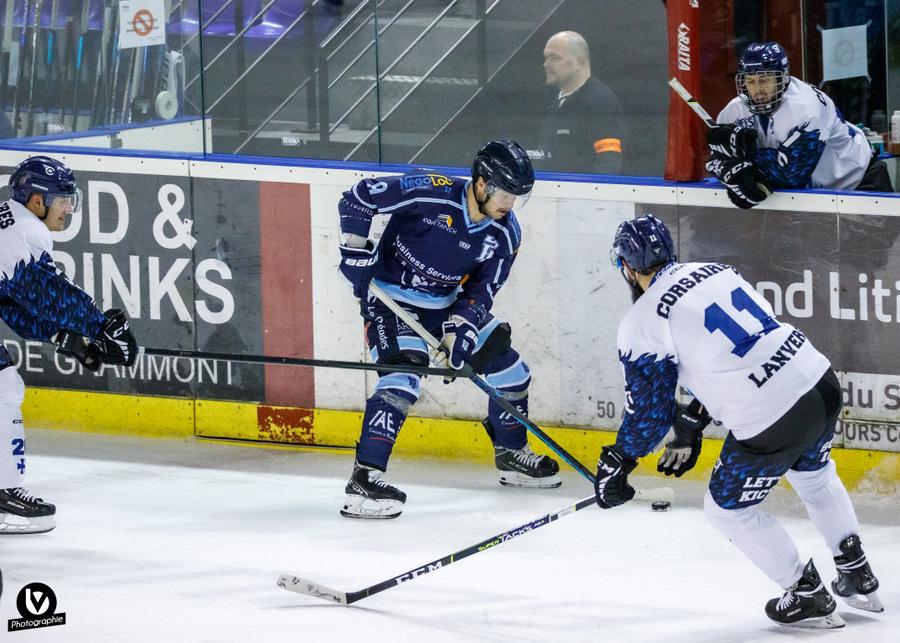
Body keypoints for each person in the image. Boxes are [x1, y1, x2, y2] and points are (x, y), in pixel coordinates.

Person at [594, 214, 883, 628]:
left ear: (625, 266)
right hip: (818, 380)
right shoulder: (714, 271)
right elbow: (744, 348)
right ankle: (858, 574)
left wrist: (618, 461)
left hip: (772, 416)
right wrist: (693, 423)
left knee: (726, 510)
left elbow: (650, 415)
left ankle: (805, 592)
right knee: (815, 474)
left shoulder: (641, 323)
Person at [337, 139, 560, 519]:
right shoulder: (428, 191)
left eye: (517, 197)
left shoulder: (505, 234)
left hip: (443, 306)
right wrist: (356, 250)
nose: (509, 203)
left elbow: (482, 290)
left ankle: (510, 455)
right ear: (481, 183)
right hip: (391, 302)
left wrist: (462, 329)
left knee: (512, 374)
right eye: (505, 192)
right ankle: (365, 479)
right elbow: (358, 198)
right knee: (401, 381)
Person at [0, 155, 138, 534]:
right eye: (63, 199)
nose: (69, 208)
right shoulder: (24, 231)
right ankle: (3, 498)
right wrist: (99, 327)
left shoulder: (10, 220)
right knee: (4, 387)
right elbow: (48, 295)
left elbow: (14, 307)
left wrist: (63, 337)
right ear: (37, 199)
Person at [706, 41, 894, 209]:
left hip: (859, 182)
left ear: (783, 77)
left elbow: (791, 175)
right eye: (750, 81)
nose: (757, 90)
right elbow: (716, 161)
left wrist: (744, 157)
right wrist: (730, 175)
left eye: (764, 80)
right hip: (810, 199)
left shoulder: (806, 109)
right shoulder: (733, 111)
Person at [530, 31, 626, 175]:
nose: (546, 64)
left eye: (555, 58)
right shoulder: (556, 103)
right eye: (546, 58)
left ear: (579, 62)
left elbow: (608, 162)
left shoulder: (600, 100)